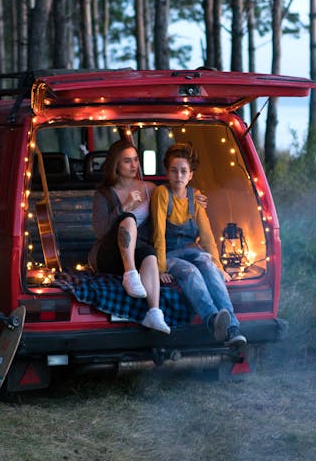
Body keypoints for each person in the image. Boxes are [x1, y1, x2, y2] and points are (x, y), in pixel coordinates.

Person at [151, 142, 247, 349]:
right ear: (167, 173)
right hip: (169, 253)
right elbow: (158, 233)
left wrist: (220, 267)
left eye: (183, 171)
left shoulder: (195, 197)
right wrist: (160, 268)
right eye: (174, 171)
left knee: (208, 265)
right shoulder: (162, 194)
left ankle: (233, 328)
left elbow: (206, 236)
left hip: (191, 249)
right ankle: (212, 319)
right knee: (190, 271)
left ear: (191, 175)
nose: (178, 176)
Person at [88, 137, 170, 333]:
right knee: (128, 219)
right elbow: (100, 231)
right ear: (116, 165)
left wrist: (194, 196)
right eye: (127, 161)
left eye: (135, 159)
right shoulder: (103, 194)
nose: (134, 165)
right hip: (108, 254)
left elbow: (171, 206)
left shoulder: (150, 189)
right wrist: (124, 207)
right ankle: (131, 275)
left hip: (138, 249)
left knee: (149, 255)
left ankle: (154, 313)